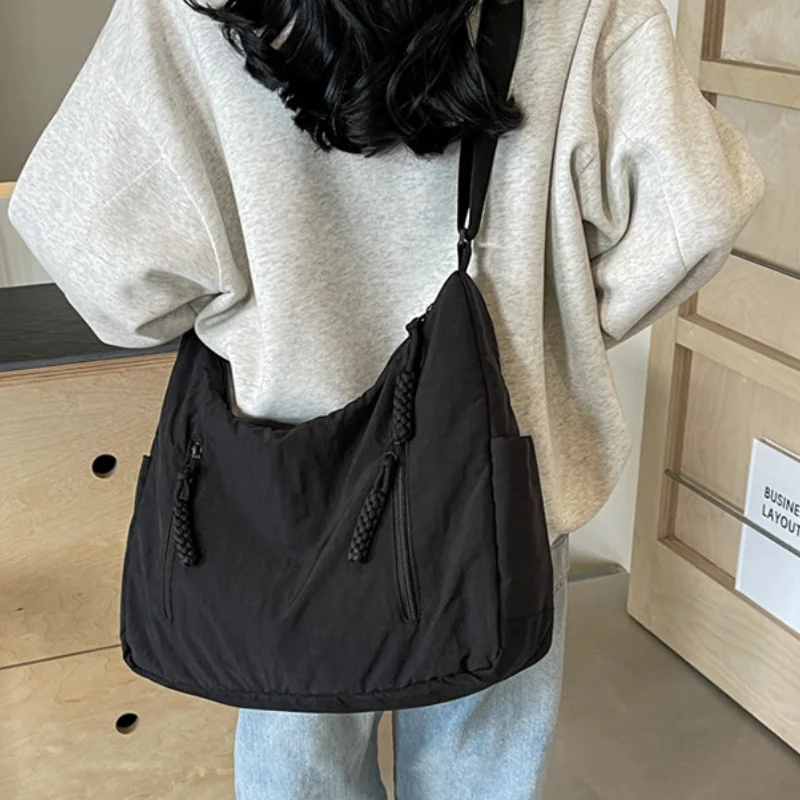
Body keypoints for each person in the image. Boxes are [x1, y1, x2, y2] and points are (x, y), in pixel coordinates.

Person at [9, 0, 763, 797]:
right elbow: (699, 210)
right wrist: (560, 322)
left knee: (299, 769)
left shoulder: (182, 12)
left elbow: (99, 264)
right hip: (500, 482)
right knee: (481, 765)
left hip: (278, 497)